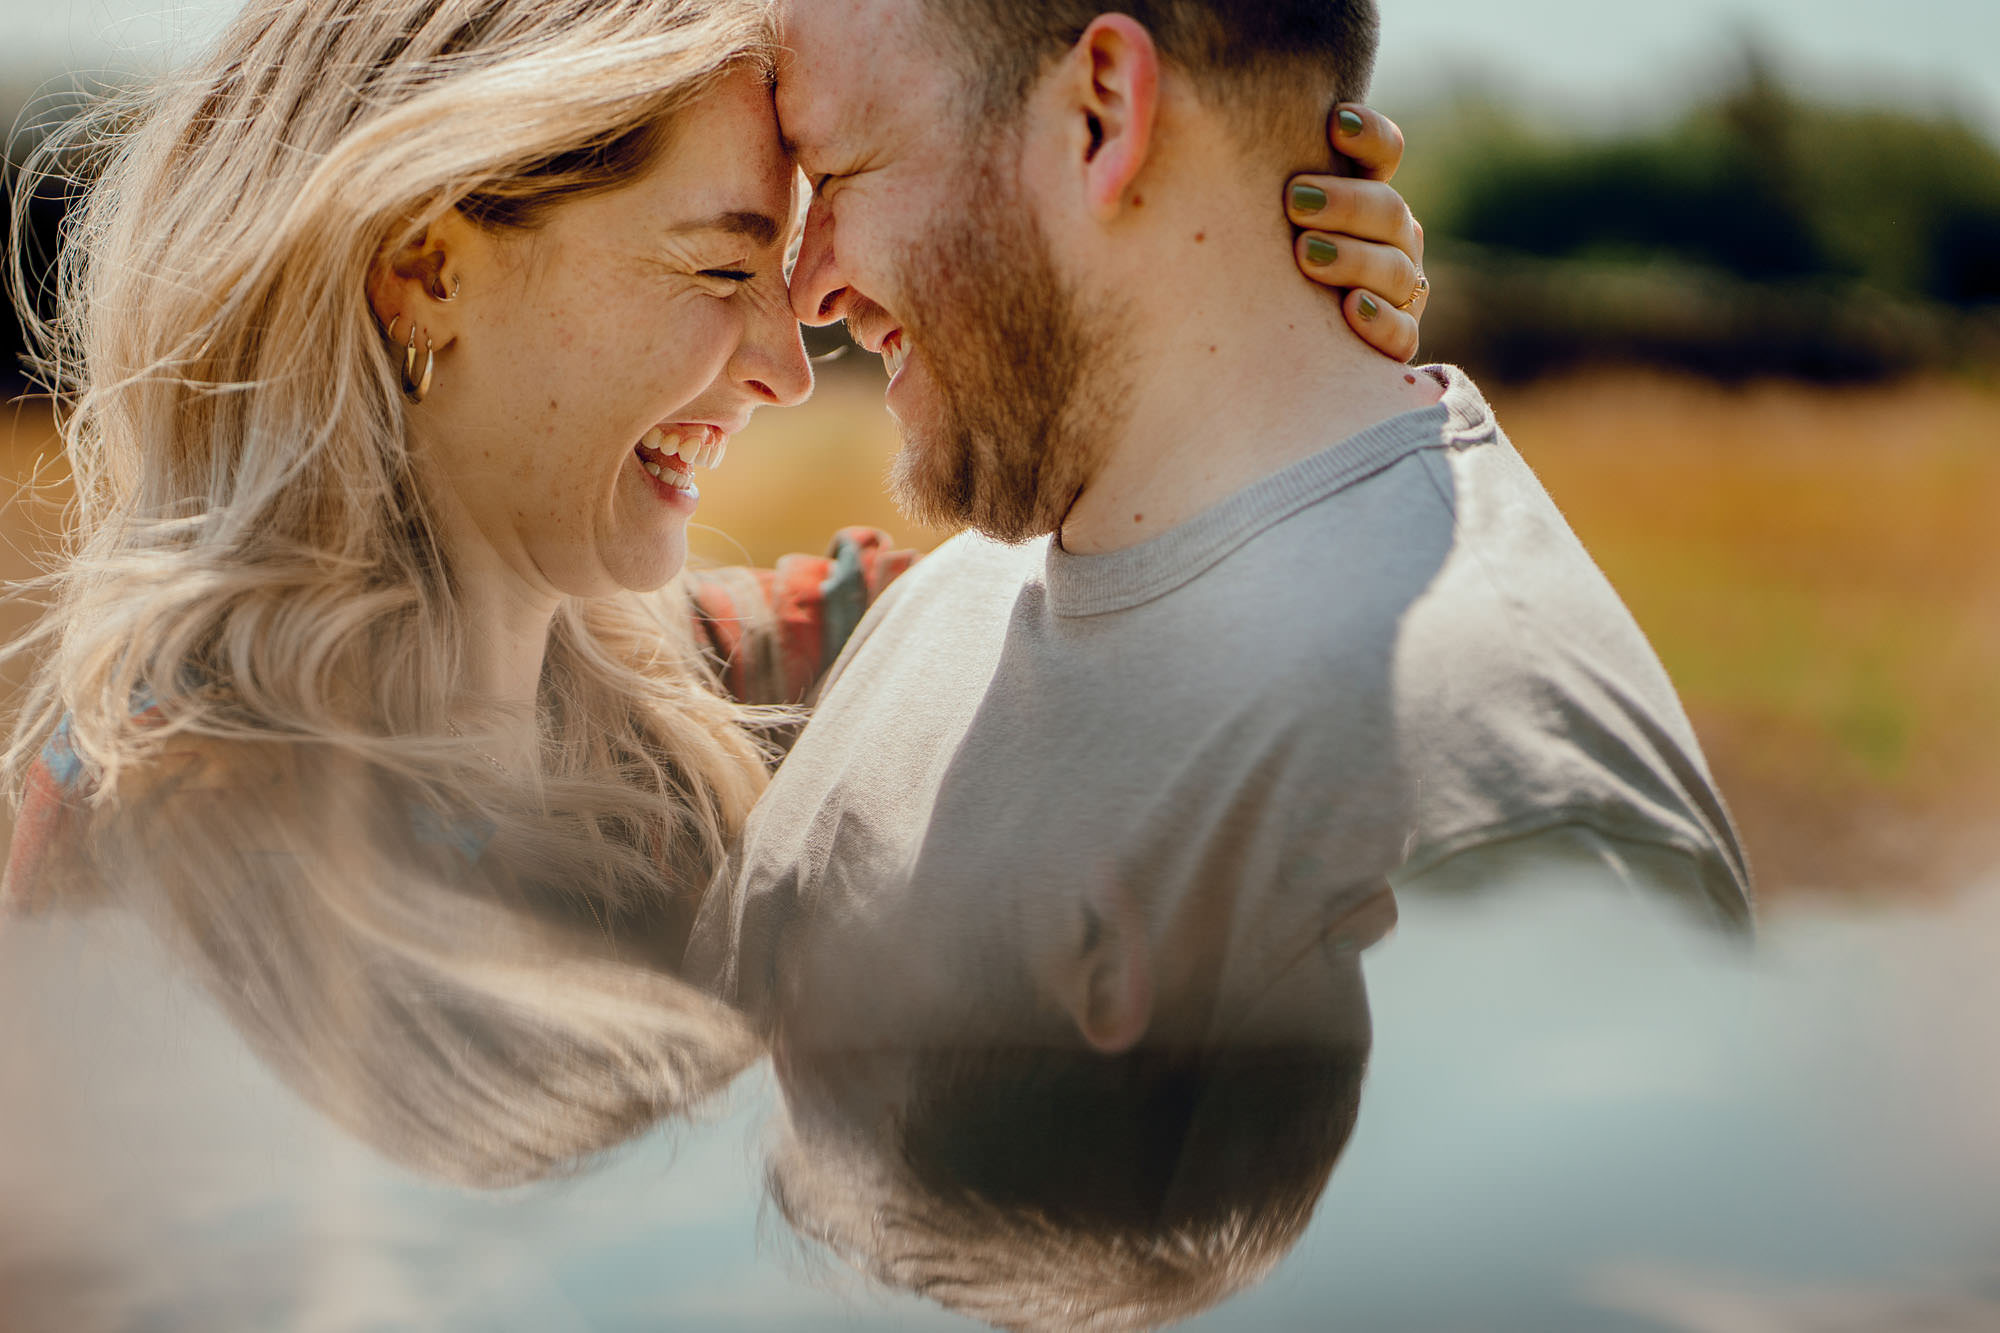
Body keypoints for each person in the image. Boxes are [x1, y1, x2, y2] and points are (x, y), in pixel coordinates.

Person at [0, 0, 1424, 1188]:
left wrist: (1252, 311)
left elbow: (1170, 618)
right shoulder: (149, 844)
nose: (785, 364)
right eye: (722, 262)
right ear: (426, 271)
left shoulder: (762, 678)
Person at [692, 0, 1755, 1325]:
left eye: (841, 175)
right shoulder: (942, 605)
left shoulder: (1508, 809)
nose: (809, 291)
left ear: (1103, 115)